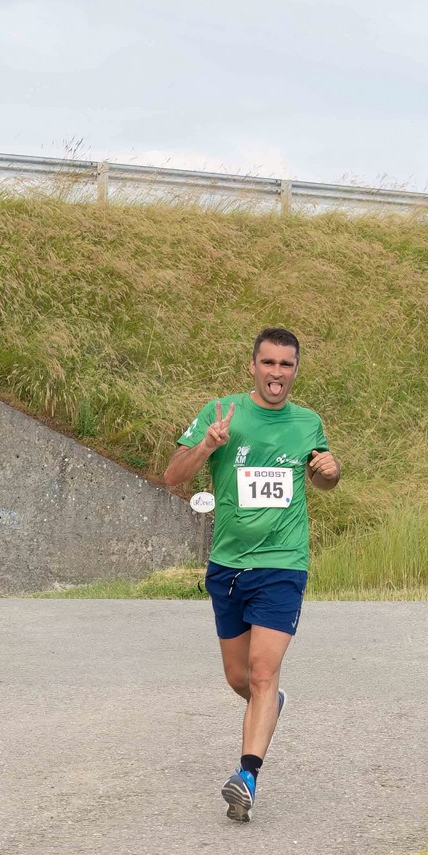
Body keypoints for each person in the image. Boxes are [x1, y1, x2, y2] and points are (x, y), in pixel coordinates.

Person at [164, 327, 340, 822]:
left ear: (296, 370)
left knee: (262, 672)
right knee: (240, 677)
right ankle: (269, 702)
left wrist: (330, 473)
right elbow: (173, 475)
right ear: (253, 366)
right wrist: (207, 446)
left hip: (283, 563)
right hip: (228, 565)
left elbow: (323, 477)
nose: (276, 373)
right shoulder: (221, 413)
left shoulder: (308, 422)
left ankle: (246, 777)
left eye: (286, 364)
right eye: (268, 363)